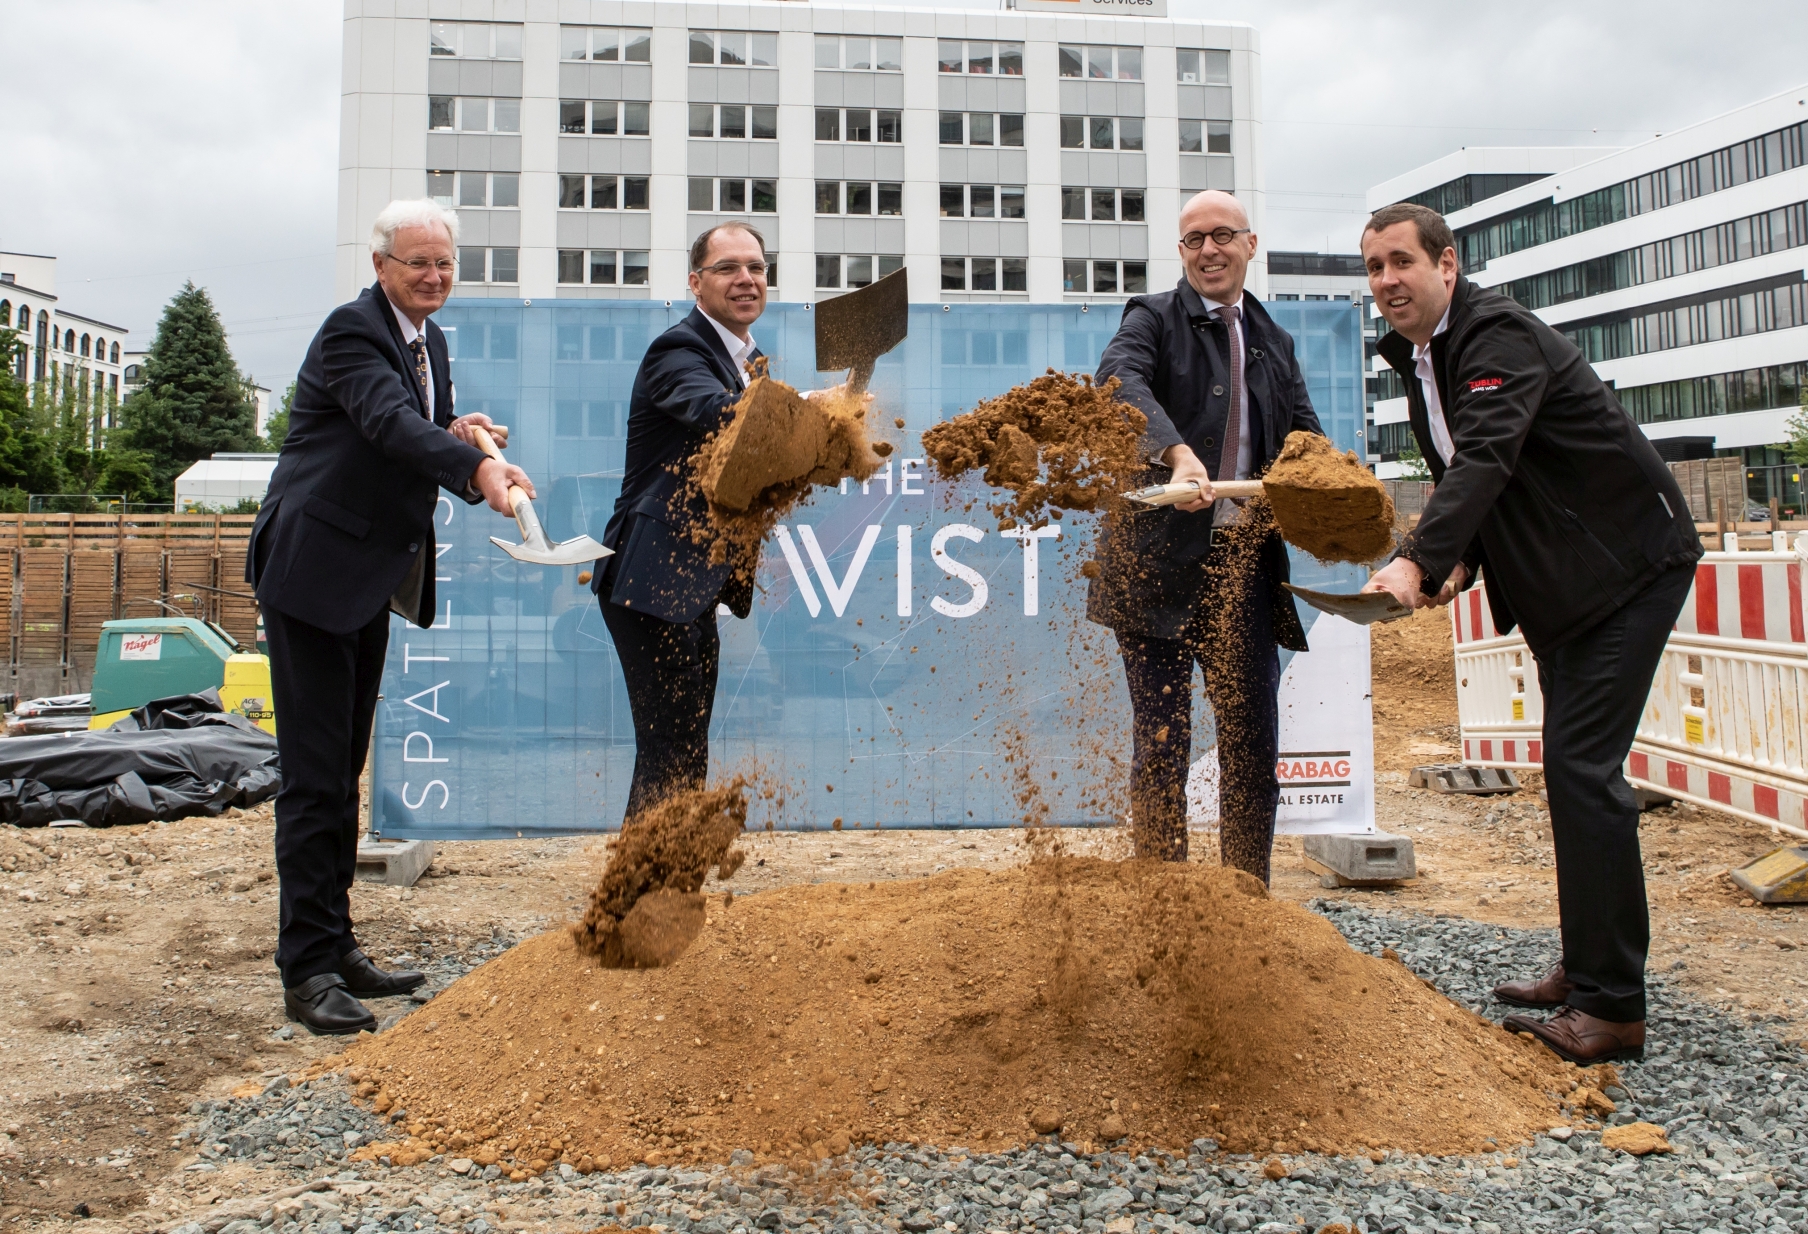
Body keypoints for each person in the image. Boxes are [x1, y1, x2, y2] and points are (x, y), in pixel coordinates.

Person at [1359, 202, 1702, 1064]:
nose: (1388, 281)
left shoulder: (1495, 336)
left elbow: (1487, 456)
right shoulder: (1422, 356)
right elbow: (1471, 472)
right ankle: (1588, 969)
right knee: (1573, 771)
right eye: (1374, 268)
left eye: (1402, 261)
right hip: (1570, 584)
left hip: (1626, 570)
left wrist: (1413, 560)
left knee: (1583, 772)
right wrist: (1459, 561)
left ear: (1448, 263)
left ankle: (1612, 1009)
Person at [248, 199, 535, 1035]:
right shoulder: (351, 331)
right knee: (312, 780)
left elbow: (408, 424)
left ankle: (335, 948)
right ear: (381, 266)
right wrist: (478, 474)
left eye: (444, 262)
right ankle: (305, 970)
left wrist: (459, 429)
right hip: (313, 572)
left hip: (364, 577)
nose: (435, 276)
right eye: (418, 263)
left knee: (343, 774)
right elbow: (381, 421)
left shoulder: (427, 341)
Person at [1090, 189, 1324, 881]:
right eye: (1194, 240)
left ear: (1251, 245)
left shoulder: (1274, 343)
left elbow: (1305, 439)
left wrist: (1324, 480)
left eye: (1222, 235)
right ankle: (1166, 901)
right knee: (1163, 741)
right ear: (1182, 252)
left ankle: (1245, 897)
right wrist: (1177, 454)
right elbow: (1118, 379)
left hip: (1243, 567)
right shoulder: (1152, 318)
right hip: (1154, 563)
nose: (1208, 250)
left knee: (1252, 742)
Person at [591, 221, 771, 822]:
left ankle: (663, 898)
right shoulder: (681, 350)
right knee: (671, 750)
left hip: (690, 582)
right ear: (696, 282)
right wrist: (815, 413)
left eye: (756, 267)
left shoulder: (747, 361)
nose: (746, 279)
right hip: (649, 582)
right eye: (728, 268)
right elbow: (720, 414)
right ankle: (638, 905)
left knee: (684, 748)